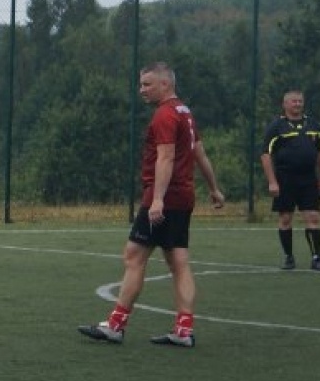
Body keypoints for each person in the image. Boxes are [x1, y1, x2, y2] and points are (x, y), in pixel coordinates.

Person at [79, 61, 225, 348]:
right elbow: (200, 153)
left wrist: (157, 199)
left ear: (165, 84)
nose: (142, 90)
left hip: (165, 197)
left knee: (134, 256)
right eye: (141, 84)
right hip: (183, 196)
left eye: (147, 84)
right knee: (178, 262)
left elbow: (166, 157)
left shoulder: (165, 115)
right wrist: (213, 188)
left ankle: (116, 326)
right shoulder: (184, 112)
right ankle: (183, 331)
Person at [260, 89, 320, 271]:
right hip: (285, 179)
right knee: (285, 218)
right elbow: (266, 155)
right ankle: (289, 257)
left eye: (300, 101)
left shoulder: (313, 125)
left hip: (308, 179)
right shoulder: (276, 127)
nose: (298, 104)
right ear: (285, 104)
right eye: (294, 101)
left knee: (313, 217)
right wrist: (272, 181)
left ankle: (316, 258)